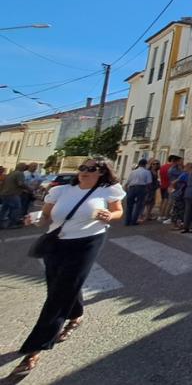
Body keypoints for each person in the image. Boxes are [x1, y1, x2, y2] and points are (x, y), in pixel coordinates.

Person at [9, 160, 125, 378]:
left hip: (88, 242)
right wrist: (33, 219)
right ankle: (77, 314)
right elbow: (45, 217)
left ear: (101, 172)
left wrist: (110, 216)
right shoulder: (61, 190)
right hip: (57, 242)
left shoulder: (108, 190)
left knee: (59, 294)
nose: (84, 172)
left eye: (90, 169)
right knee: (59, 286)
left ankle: (35, 348)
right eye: (82, 168)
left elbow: (118, 212)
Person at [0, 162, 29, 229]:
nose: (25, 168)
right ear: (22, 167)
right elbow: (20, 183)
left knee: (4, 209)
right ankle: (12, 224)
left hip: (4, 193)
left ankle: (1, 224)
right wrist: (28, 188)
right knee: (16, 208)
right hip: (13, 194)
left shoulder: (11, 173)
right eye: (25, 167)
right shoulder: (20, 173)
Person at [124, 159, 151, 226]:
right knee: (138, 205)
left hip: (132, 187)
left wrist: (126, 188)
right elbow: (149, 182)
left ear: (139, 164)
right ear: (145, 164)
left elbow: (128, 181)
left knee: (129, 205)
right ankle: (134, 221)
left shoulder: (133, 172)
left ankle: (127, 221)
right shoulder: (147, 172)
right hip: (141, 188)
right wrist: (147, 191)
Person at [158, 155, 173, 222]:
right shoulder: (171, 168)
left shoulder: (162, 167)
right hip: (168, 186)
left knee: (163, 200)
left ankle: (160, 214)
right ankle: (164, 215)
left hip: (162, 185)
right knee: (167, 201)